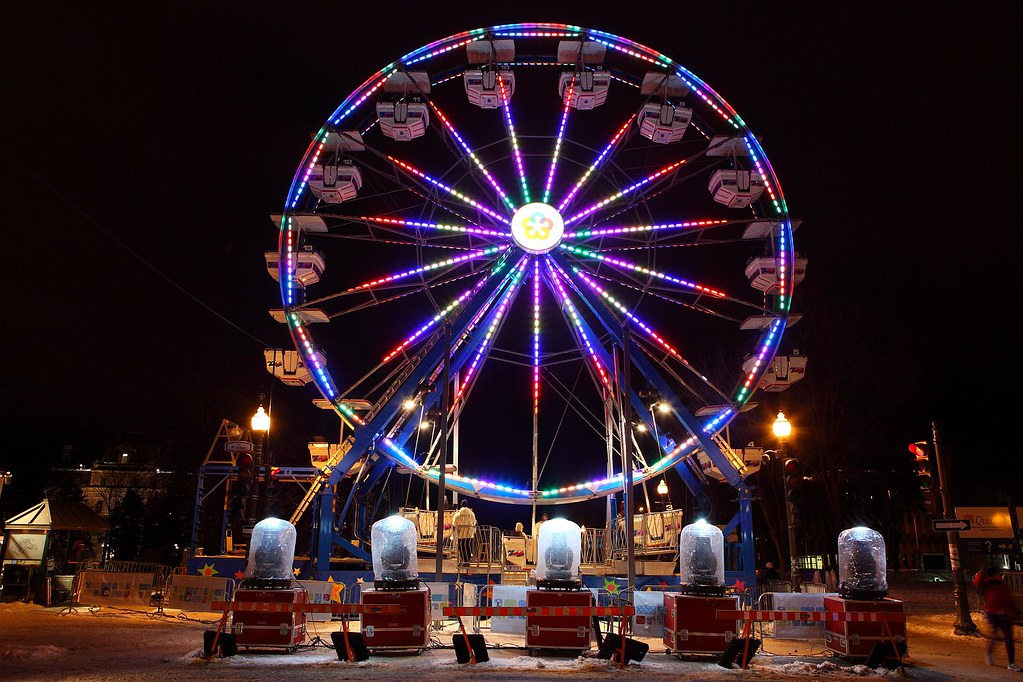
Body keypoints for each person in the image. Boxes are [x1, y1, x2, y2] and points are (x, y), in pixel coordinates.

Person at [973, 566, 1021, 671]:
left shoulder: (1002, 585)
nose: (998, 576)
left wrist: (1013, 609)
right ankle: (989, 653)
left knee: (1009, 638)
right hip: (992, 613)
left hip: (1004, 614)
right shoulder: (987, 584)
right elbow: (977, 582)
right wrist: (983, 571)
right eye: (996, 574)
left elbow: (1007, 598)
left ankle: (1011, 663)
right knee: (994, 635)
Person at [452, 500, 477, 565]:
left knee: (461, 547)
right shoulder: (471, 513)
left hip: (461, 534)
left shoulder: (458, 514)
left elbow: (454, 523)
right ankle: (467, 561)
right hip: (469, 534)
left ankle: (463, 560)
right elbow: (474, 522)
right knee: (468, 547)